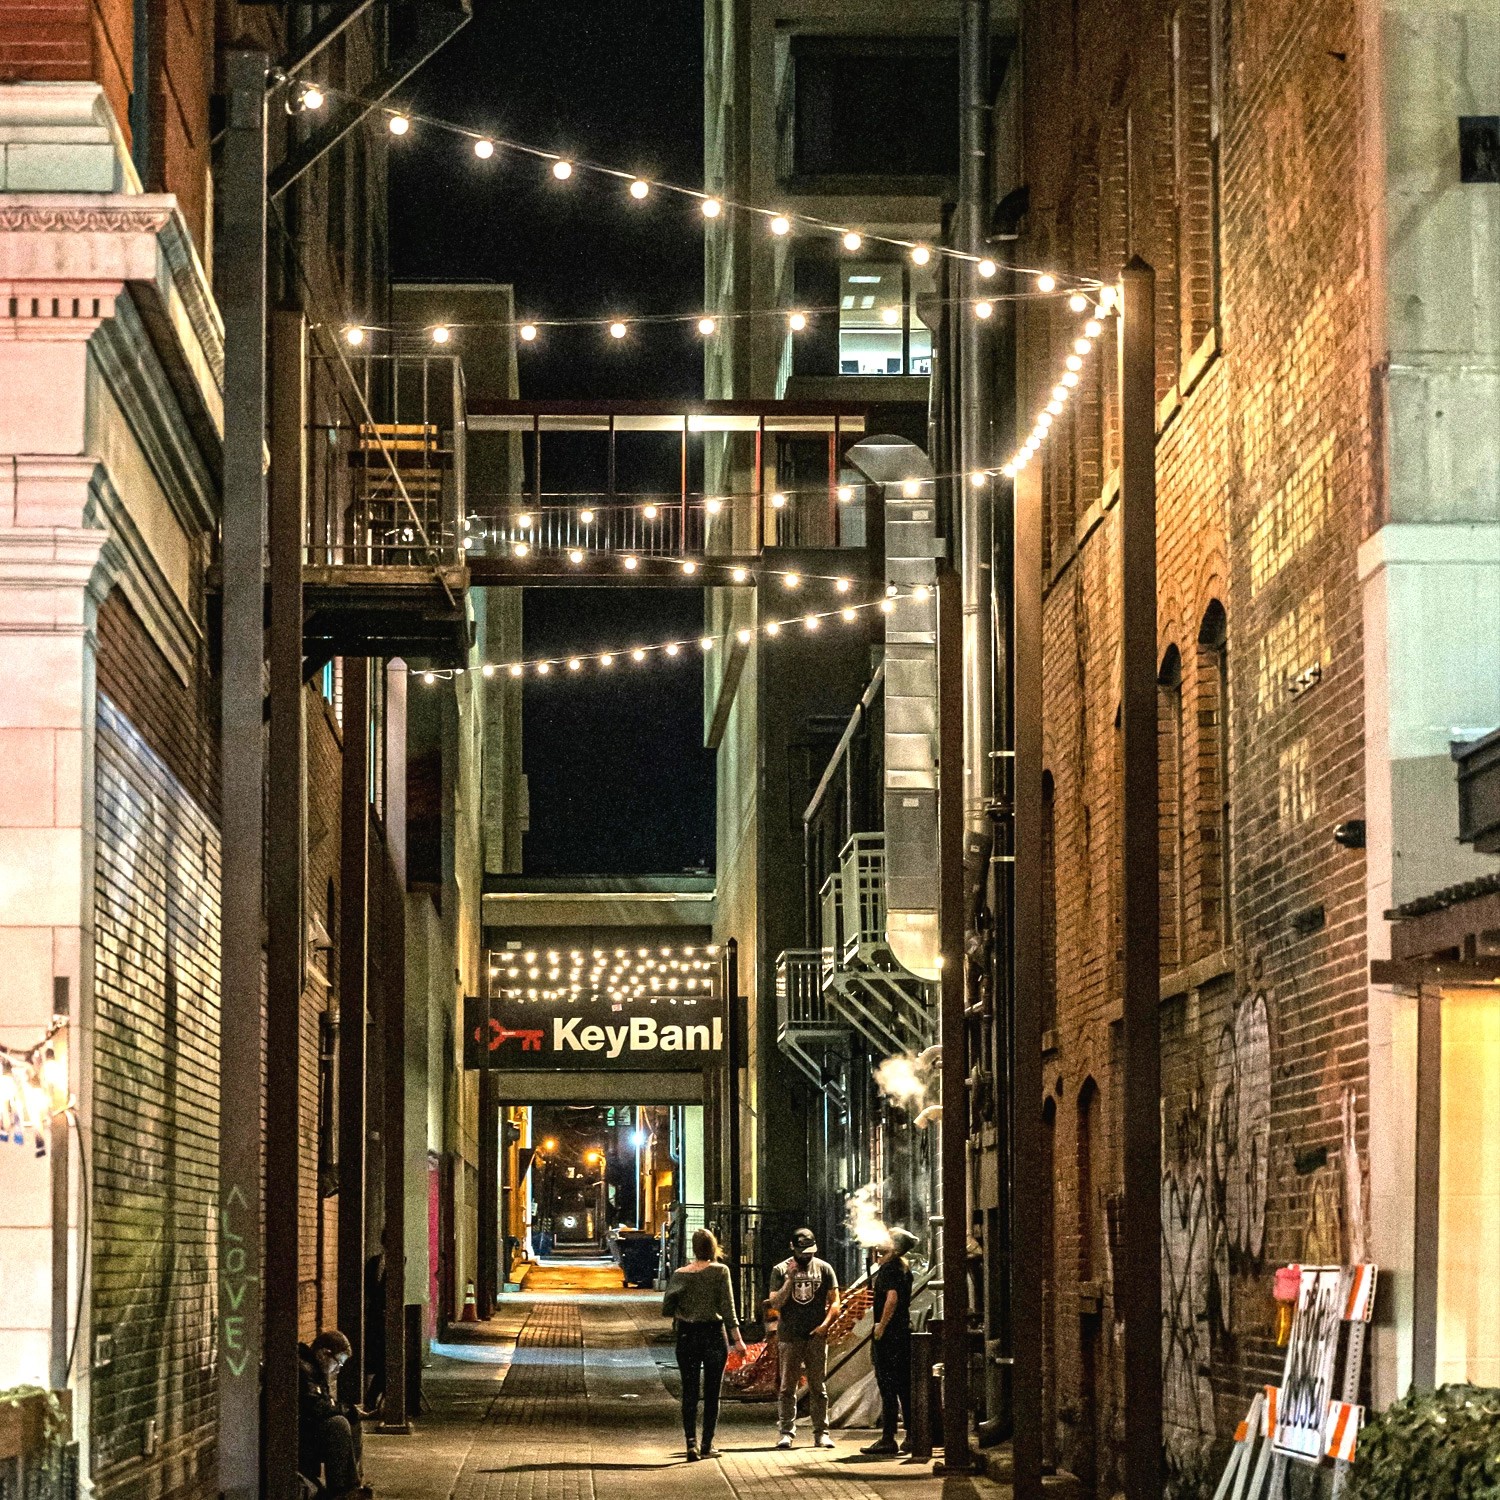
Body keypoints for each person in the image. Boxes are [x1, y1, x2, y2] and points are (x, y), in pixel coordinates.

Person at [661, 1228, 747, 1461]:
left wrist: (684, 1309)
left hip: (688, 1335)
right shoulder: (721, 1271)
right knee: (712, 1392)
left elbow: (667, 1307)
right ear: (713, 1247)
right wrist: (737, 1340)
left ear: (693, 1247)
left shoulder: (680, 1274)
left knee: (689, 1391)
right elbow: (728, 1309)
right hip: (713, 1334)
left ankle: (691, 1443)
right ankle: (708, 1443)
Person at [765, 1227, 840, 1449]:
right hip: (790, 1334)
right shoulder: (780, 1270)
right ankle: (786, 1431)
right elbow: (775, 1303)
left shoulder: (824, 1269)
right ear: (793, 1247)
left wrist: (825, 1325)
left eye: (810, 1251)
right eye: (803, 1251)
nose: (807, 1255)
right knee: (788, 1386)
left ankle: (821, 1433)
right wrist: (790, 1279)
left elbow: (835, 1301)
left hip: (816, 1335)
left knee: (818, 1386)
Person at [861, 1228, 918, 1455]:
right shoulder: (904, 1269)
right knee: (904, 1387)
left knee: (887, 1386)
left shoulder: (889, 1270)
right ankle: (912, 1436)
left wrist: (880, 1327)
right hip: (903, 1334)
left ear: (894, 1247)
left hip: (889, 1336)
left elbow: (892, 1299)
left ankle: (888, 1438)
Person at [298, 1330, 372, 1500]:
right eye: (338, 1363)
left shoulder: (314, 1370)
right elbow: (316, 1407)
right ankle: (340, 1490)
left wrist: (350, 1412)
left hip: (307, 1428)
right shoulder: (304, 1370)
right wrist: (347, 1411)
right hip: (300, 1434)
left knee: (352, 1421)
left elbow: (324, 1404)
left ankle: (352, 1485)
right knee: (338, 1424)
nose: (338, 1369)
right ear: (324, 1354)